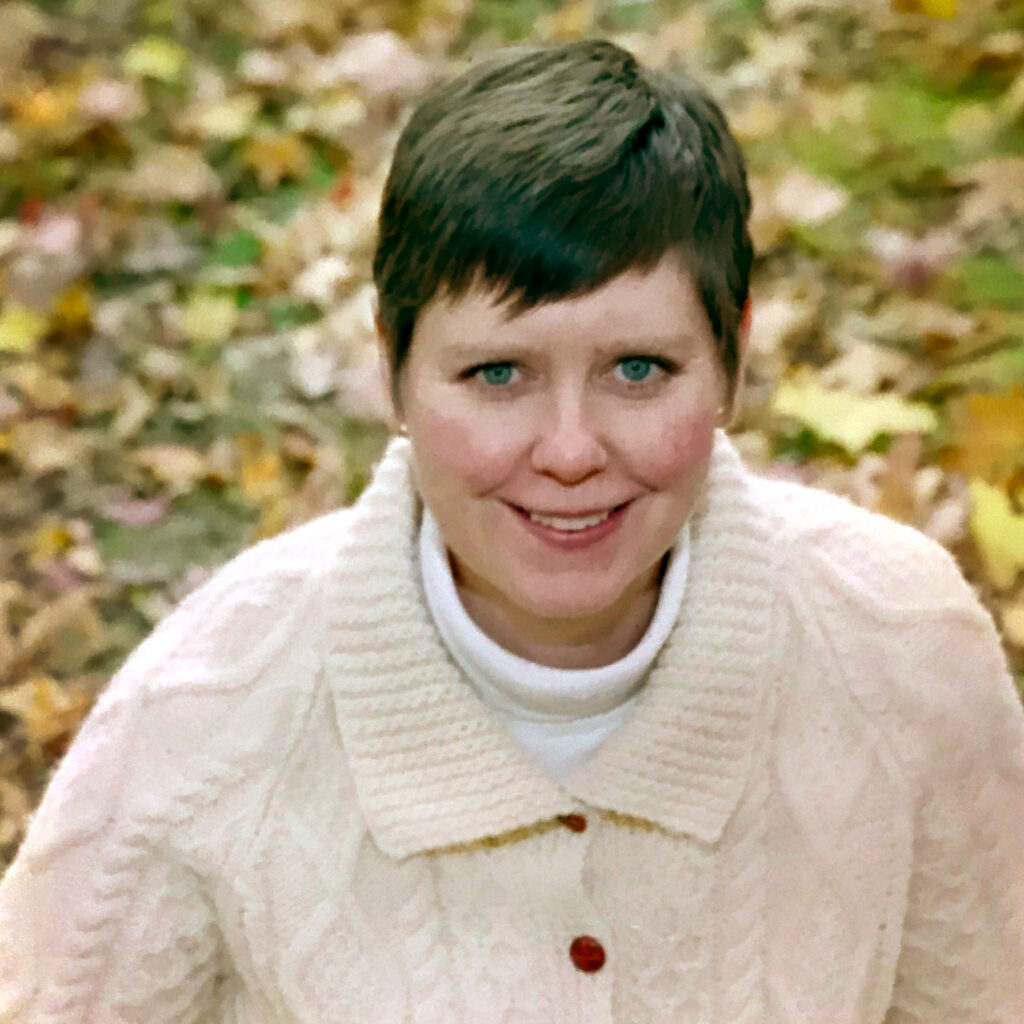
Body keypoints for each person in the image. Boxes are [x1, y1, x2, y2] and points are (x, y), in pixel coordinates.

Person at [1, 37, 1022, 1024]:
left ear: (732, 357)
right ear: (392, 362)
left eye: (638, 369)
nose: (570, 449)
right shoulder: (203, 725)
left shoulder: (903, 654)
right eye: (497, 373)